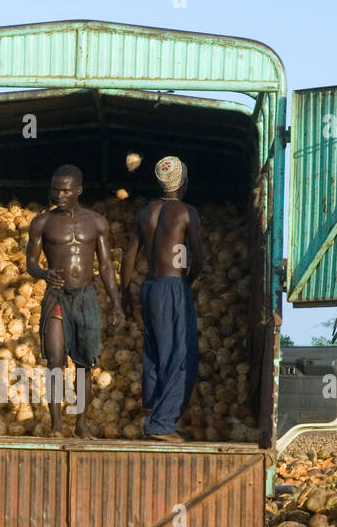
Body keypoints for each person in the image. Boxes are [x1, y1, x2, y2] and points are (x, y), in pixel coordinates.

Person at [25, 165, 126, 437]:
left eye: (65, 190)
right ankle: (57, 425)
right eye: (55, 189)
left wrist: (117, 304)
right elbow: (30, 262)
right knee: (55, 359)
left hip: (86, 297)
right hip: (56, 296)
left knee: (85, 364)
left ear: (78, 191)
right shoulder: (42, 222)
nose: (59, 195)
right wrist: (44, 273)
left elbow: (105, 266)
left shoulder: (96, 222)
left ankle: (81, 424)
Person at [120, 155, 204, 442]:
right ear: (183, 181)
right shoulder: (185, 212)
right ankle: (162, 424)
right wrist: (186, 281)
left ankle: (157, 414)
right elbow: (199, 257)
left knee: (155, 353)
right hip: (171, 286)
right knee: (180, 355)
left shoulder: (146, 212)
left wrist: (125, 291)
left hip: (150, 287)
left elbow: (129, 254)